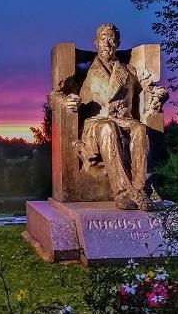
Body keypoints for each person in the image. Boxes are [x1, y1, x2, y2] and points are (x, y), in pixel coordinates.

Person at [58, 23, 152, 210]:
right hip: (95, 125)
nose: (107, 44)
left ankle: (140, 190)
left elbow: (147, 92)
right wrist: (64, 101)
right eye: (103, 39)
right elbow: (55, 93)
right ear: (96, 43)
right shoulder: (83, 69)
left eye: (111, 39)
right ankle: (123, 193)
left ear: (118, 43)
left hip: (123, 120)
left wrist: (159, 95)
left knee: (140, 129)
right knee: (108, 126)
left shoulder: (129, 70)